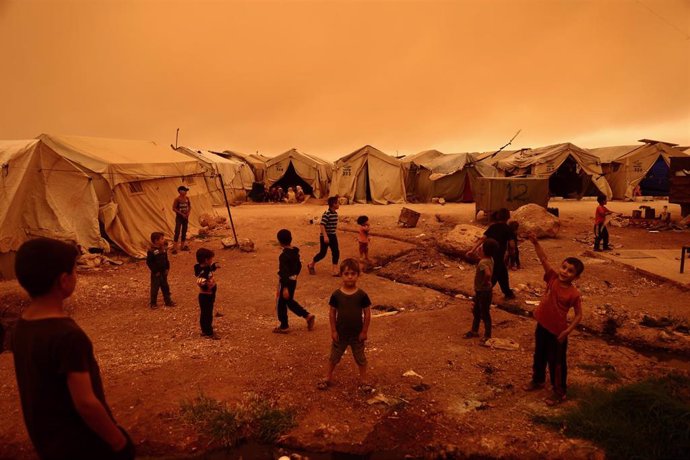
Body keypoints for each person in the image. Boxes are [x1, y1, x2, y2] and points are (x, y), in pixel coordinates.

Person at [11, 238, 134, 460]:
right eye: (74, 271)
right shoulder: (68, 337)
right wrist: (118, 441)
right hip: (83, 444)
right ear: (64, 280)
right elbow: (86, 403)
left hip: (48, 441)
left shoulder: (22, 326)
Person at [524, 233, 584, 405]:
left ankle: (559, 392)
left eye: (570, 271)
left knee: (557, 363)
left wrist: (567, 331)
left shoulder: (574, 293)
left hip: (558, 333)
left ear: (576, 277)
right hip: (542, 325)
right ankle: (538, 380)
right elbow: (543, 259)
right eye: (564, 267)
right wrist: (535, 243)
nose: (565, 272)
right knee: (539, 355)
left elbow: (579, 315)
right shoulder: (552, 278)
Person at [317, 258, 372, 393]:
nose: (349, 277)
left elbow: (367, 314)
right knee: (334, 357)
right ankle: (327, 377)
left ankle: (364, 381)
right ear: (341, 275)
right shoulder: (336, 295)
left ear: (358, 275)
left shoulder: (362, 295)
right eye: (346, 273)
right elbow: (332, 313)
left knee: (360, 358)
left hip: (357, 335)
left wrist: (364, 331)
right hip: (340, 334)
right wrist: (333, 330)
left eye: (353, 273)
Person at [273, 229, 316, 334]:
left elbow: (284, 272)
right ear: (291, 239)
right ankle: (307, 316)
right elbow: (299, 266)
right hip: (293, 280)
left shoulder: (283, 256)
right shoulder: (295, 253)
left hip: (286, 283)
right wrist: (294, 276)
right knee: (289, 302)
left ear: (279, 241)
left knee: (281, 304)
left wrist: (285, 287)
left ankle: (284, 326)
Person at [467, 208, 515, 299]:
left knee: (502, 274)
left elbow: (482, 238)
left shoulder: (492, 227)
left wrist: (472, 249)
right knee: (494, 276)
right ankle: (481, 294)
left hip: (490, 254)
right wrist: (511, 255)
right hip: (499, 256)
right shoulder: (508, 229)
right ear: (508, 217)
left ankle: (508, 293)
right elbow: (512, 245)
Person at [463, 238, 499, 343]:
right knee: (477, 311)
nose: (479, 248)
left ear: (483, 250)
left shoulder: (483, 262)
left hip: (483, 291)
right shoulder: (490, 259)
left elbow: (487, 273)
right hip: (484, 292)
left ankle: (487, 335)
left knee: (483, 313)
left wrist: (486, 281)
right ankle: (475, 330)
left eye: (481, 247)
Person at [307, 196, 340, 276]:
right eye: (337, 203)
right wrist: (325, 236)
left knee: (336, 252)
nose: (339, 204)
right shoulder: (327, 214)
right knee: (322, 253)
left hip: (332, 235)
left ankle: (335, 270)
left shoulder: (335, 213)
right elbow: (322, 225)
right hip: (325, 236)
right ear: (333, 204)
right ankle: (311, 264)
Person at [195, 248, 220, 340]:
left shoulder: (203, 267)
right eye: (210, 259)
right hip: (206, 295)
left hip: (208, 295)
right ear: (206, 260)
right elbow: (200, 281)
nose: (211, 260)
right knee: (207, 314)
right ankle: (208, 332)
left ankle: (204, 330)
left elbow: (208, 269)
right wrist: (208, 288)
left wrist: (214, 266)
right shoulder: (203, 272)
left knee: (205, 313)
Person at [146, 232, 175, 309]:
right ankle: (153, 303)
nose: (164, 240)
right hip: (156, 274)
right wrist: (155, 271)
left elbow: (166, 260)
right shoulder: (151, 251)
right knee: (155, 288)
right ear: (156, 241)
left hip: (163, 272)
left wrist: (167, 268)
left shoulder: (163, 249)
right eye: (162, 239)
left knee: (165, 287)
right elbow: (149, 262)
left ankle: (168, 301)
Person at [172, 185, 192, 254]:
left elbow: (189, 206)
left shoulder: (187, 198)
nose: (186, 192)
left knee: (184, 231)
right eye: (184, 190)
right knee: (177, 231)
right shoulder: (177, 199)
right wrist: (181, 214)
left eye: (186, 190)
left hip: (186, 217)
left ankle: (182, 246)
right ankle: (174, 248)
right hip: (179, 217)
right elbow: (174, 208)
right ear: (180, 191)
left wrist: (188, 213)